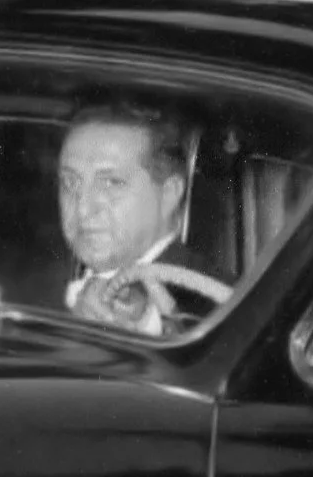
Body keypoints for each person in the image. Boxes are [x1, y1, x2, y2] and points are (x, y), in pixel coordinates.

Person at [57, 99, 225, 337]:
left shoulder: (218, 303)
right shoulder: (39, 284)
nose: (83, 208)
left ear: (168, 195)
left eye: (111, 183)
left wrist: (146, 324)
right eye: (70, 182)